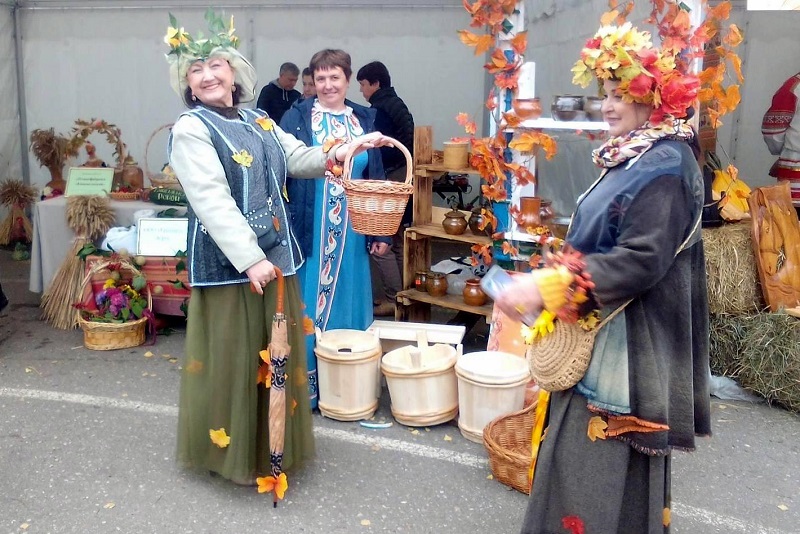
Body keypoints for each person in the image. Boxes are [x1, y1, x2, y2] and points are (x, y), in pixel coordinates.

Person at [494, 22, 711, 533]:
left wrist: (550, 287)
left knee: (597, 472)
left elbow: (640, 260)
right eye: (606, 95)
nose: (608, 106)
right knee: (581, 468)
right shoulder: (637, 154)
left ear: (652, 99)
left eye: (621, 96)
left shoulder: (666, 164)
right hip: (603, 332)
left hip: (629, 353)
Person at [164, 14, 391, 485]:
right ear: (186, 82)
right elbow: (210, 199)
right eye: (195, 70)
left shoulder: (260, 119)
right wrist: (249, 259)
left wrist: (344, 151)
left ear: (234, 71)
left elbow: (298, 157)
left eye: (216, 66)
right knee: (235, 355)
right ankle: (233, 452)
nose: (207, 76)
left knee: (274, 355)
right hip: (232, 266)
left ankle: (270, 445)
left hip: (277, 259)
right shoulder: (191, 128)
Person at [280, 49, 390, 408]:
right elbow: (284, 166)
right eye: (321, 78)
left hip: (354, 231)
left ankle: (349, 387)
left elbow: (376, 177)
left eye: (335, 77)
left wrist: (380, 232)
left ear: (347, 79)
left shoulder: (364, 118)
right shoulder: (298, 117)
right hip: (311, 228)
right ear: (312, 80)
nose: (327, 85)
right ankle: (309, 389)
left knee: (350, 300)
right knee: (310, 302)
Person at [356, 61, 415, 316]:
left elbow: (380, 151)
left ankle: (392, 296)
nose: (361, 91)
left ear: (375, 83)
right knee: (399, 236)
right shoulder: (397, 103)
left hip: (391, 177)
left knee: (383, 237)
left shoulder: (380, 110)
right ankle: (402, 296)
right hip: (404, 174)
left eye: (363, 85)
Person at [762, 71, 800, 215]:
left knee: (792, 227)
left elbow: (773, 132)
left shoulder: (793, 86)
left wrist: (782, 151)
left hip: (795, 169)